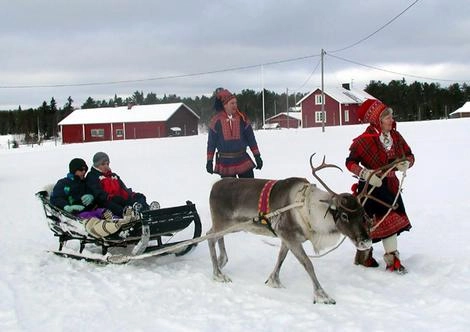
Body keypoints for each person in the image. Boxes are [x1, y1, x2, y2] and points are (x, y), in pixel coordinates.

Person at [346, 98, 415, 274]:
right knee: (369, 225)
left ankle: (392, 259)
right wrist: (365, 174)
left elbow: (409, 155)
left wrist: (406, 163)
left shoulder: (396, 137)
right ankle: (364, 256)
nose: (391, 119)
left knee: (390, 219)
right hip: (370, 188)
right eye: (387, 117)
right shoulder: (363, 141)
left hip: (391, 186)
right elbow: (350, 163)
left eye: (391, 116)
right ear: (376, 120)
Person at [206, 88, 263, 178]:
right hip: (225, 163)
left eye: (236, 103)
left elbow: (251, 138)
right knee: (229, 192)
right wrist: (209, 161)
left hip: (243, 160)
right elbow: (211, 143)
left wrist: (257, 156)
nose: (235, 105)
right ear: (225, 105)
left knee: (248, 189)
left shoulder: (242, 118)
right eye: (232, 103)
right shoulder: (216, 121)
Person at [86, 152, 159, 217]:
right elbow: (97, 192)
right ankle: (132, 215)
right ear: (96, 165)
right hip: (105, 202)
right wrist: (111, 197)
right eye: (103, 164)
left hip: (119, 199)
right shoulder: (92, 176)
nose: (106, 166)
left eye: (107, 164)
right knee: (118, 206)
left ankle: (148, 211)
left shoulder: (113, 176)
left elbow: (123, 189)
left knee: (138, 198)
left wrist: (133, 195)